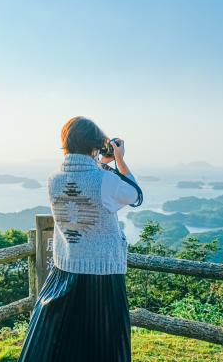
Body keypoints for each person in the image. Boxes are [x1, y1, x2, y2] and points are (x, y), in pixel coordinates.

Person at [17, 116, 140, 362]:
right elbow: (135, 195)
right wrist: (119, 160)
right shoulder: (104, 180)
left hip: (65, 270)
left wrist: (99, 162)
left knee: (61, 343)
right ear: (95, 146)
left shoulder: (53, 179)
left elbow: (81, 179)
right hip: (102, 275)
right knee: (103, 345)